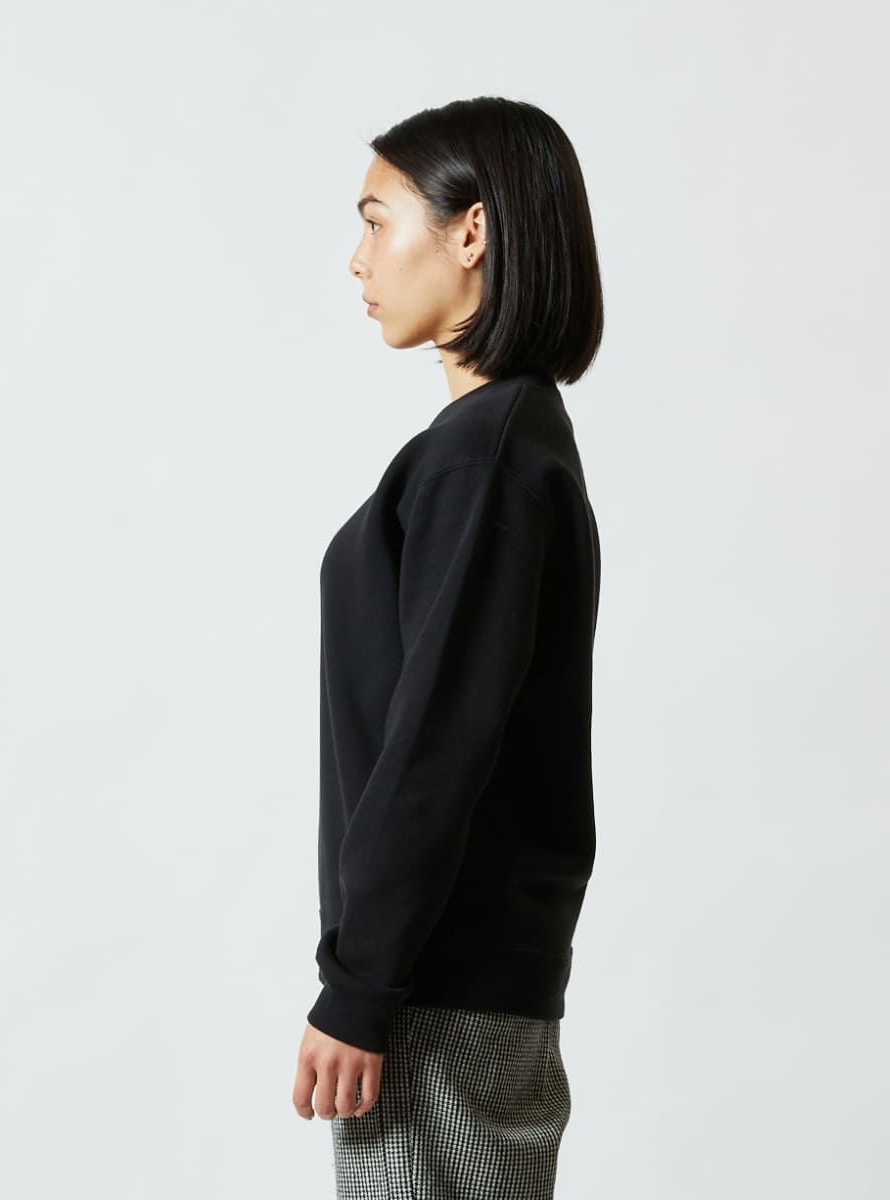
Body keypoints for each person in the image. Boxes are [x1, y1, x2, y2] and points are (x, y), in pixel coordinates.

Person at [291, 95, 604, 1200]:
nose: (358, 258)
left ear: (472, 232)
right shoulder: (503, 444)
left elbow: (436, 740)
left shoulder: (487, 459)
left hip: (436, 993)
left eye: (378, 222)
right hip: (457, 981)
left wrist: (361, 984)